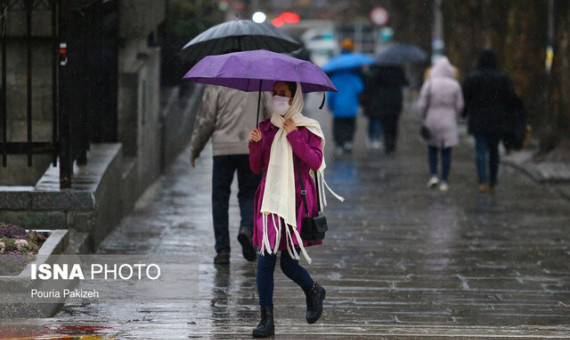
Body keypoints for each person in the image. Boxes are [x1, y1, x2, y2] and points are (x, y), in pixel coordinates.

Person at [248, 81, 340, 337]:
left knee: (289, 264)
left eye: (283, 94)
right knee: (265, 260)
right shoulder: (266, 128)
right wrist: (255, 143)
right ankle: (266, 320)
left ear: (295, 97)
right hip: (269, 202)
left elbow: (315, 161)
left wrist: (293, 134)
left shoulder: (307, 127)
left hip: (298, 202)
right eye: (275, 94)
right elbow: (257, 168)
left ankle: (313, 290)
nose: (278, 98)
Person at [190, 85, 271, 265]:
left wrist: (196, 148)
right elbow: (271, 115)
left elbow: (206, 120)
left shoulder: (216, 85)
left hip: (222, 149)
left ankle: (223, 250)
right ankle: (247, 229)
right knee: (249, 193)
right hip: (252, 147)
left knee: (220, 198)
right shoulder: (260, 83)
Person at [462, 49, 516, 193]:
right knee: (494, 151)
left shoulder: (473, 78)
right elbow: (510, 99)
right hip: (497, 121)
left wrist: (465, 113)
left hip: (478, 120)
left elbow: (466, 98)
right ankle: (492, 179)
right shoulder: (503, 79)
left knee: (480, 150)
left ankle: (482, 180)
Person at [417, 57, 464, 191]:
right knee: (446, 151)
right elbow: (460, 105)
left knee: (432, 149)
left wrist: (423, 115)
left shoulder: (430, 83)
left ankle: (433, 175)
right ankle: (444, 180)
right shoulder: (455, 85)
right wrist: (456, 115)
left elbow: (422, 103)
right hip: (449, 120)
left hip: (432, 119)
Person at [327, 39, 364, 155]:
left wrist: (330, 105)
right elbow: (360, 89)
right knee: (350, 125)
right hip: (351, 107)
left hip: (338, 108)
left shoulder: (334, 79)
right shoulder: (354, 78)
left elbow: (330, 94)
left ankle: (339, 144)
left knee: (338, 126)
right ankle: (348, 142)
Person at [361, 65, 408, 153]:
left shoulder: (380, 70)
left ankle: (388, 144)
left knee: (387, 123)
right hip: (396, 101)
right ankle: (392, 144)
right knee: (394, 124)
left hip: (385, 101)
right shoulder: (399, 69)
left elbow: (374, 83)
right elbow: (405, 82)